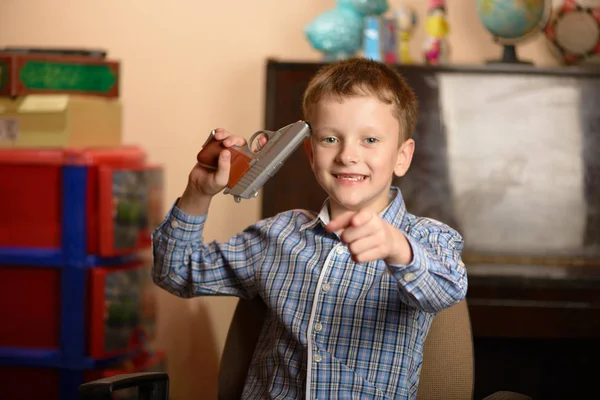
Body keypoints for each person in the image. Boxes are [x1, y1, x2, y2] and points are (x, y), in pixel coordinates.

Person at [151, 57, 468, 399]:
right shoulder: (277, 236)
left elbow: (446, 289)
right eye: (330, 139)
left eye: (370, 140)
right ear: (309, 151)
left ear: (402, 156)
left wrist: (397, 248)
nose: (347, 155)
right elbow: (173, 270)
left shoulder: (427, 238)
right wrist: (198, 193)